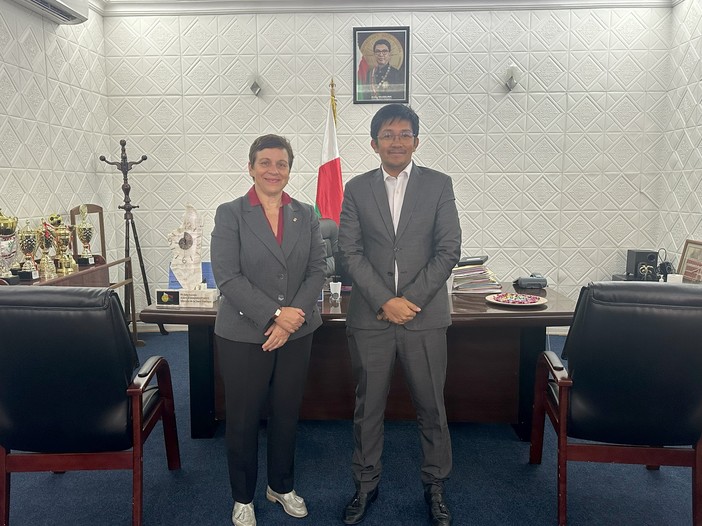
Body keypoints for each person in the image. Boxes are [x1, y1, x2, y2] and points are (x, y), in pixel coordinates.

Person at [338, 104, 461, 526]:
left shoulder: (439, 185)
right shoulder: (356, 188)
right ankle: (365, 484)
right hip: (371, 318)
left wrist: (409, 300)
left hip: (424, 318)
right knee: (368, 408)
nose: (396, 141)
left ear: (416, 141)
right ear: (374, 144)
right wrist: (384, 301)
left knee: (432, 408)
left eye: (404, 134)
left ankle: (436, 486)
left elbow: (449, 249)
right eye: (387, 135)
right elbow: (349, 251)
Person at [211, 134, 326, 526]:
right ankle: (243, 497)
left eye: (281, 163)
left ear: (289, 170)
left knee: (287, 412)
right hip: (245, 332)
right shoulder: (230, 213)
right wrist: (276, 315)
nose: (273, 170)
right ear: (251, 168)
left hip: (297, 332)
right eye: (265, 162)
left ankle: (281, 486)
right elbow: (227, 275)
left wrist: (292, 317)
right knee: (243, 419)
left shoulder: (305, 214)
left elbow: (318, 269)